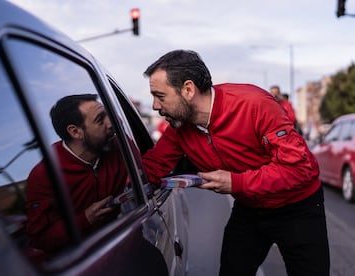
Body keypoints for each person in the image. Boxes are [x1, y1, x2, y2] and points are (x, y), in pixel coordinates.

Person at [142, 50, 329, 276]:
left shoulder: (254, 104)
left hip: (297, 207)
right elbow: (149, 169)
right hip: (250, 209)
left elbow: (300, 170)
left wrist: (237, 182)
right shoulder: (179, 130)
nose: (154, 105)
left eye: (160, 96)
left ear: (188, 90)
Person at [25, 94, 128, 258]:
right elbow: (40, 239)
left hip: (119, 247)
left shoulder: (122, 146)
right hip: (76, 261)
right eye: (101, 119)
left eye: (109, 114)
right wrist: (85, 220)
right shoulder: (44, 175)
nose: (112, 123)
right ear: (75, 132)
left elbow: (148, 174)